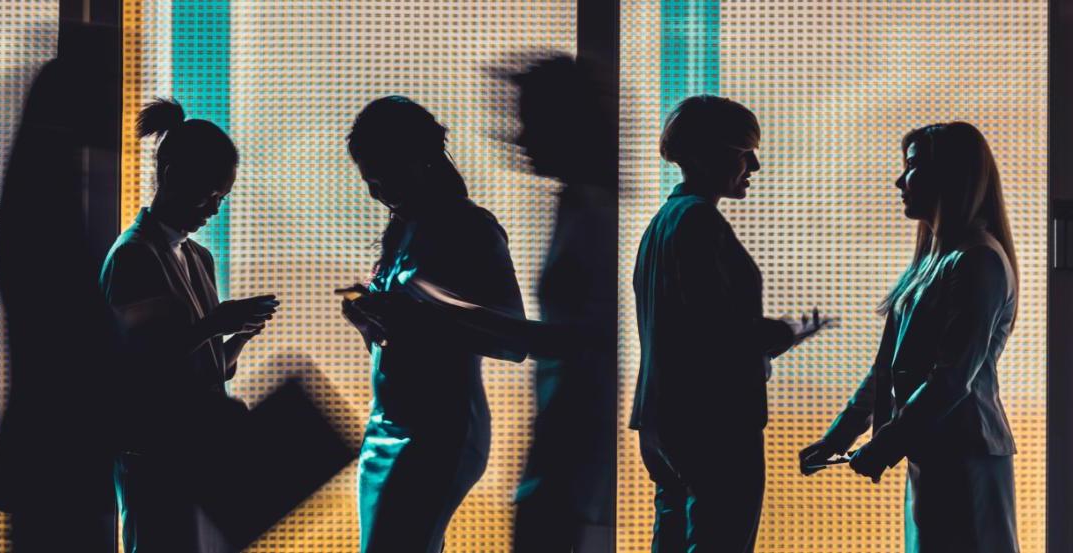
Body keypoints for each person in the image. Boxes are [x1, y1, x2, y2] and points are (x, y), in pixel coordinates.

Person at [800, 122, 1020, 553]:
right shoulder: (934, 262)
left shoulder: (978, 262)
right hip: (939, 454)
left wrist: (884, 443)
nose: (900, 180)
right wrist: (838, 438)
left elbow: (952, 378)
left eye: (912, 166)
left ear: (950, 175)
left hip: (966, 455)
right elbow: (886, 367)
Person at [631, 95, 832, 552]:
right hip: (713, 420)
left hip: (662, 417)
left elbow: (685, 326)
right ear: (707, 155)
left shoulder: (660, 225)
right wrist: (784, 332)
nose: (754, 165)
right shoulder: (702, 224)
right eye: (744, 151)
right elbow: (719, 333)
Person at [340, 96, 527, 553]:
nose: (376, 192)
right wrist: (369, 323)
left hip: (438, 428)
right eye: (369, 181)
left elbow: (513, 338)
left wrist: (420, 314)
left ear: (420, 160)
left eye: (382, 177)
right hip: (386, 424)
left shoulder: (472, 228)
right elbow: (403, 343)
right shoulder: (403, 231)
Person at [100, 98, 279, 553]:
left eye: (222, 198)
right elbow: (138, 365)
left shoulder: (198, 257)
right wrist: (216, 323)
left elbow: (205, 365)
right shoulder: (134, 256)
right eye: (210, 195)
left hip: (197, 450)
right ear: (172, 175)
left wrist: (234, 337)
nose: (215, 210)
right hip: (155, 455)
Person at [0, 50, 126, 553]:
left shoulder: (37, 193)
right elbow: (73, 334)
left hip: (50, 443)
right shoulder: (49, 208)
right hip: (61, 445)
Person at [500, 52, 616, 553]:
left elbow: (581, 339)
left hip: (566, 449)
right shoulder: (579, 205)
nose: (519, 137)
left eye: (530, 122)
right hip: (562, 446)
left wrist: (447, 314)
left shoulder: (590, 213)